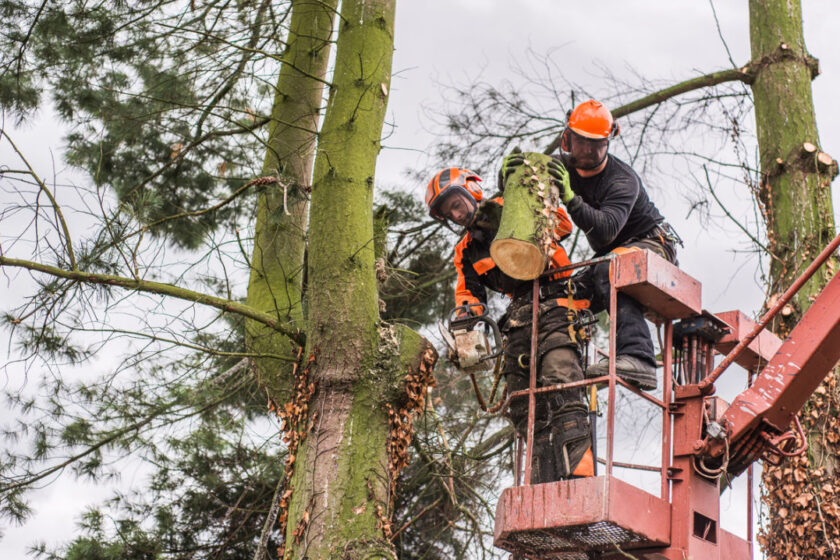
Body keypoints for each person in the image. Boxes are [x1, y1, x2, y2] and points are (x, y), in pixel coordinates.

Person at [425, 167, 593, 483]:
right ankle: (540, 487)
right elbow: (469, 297)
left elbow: (563, 224)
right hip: (517, 317)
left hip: (556, 300)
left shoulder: (510, 204)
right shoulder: (465, 251)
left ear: (472, 191)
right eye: (450, 213)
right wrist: (464, 330)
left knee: (562, 380)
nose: (457, 214)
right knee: (522, 405)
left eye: (457, 204)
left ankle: (580, 479)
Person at [504, 99, 680, 391]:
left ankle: (639, 359)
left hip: (652, 244)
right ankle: (561, 372)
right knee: (557, 293)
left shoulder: (622, 180)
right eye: (581, 142)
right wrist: (509, 176)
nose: (587, 150)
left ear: (609, 141)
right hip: (611, 256)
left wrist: (572, 199)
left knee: (610, 269)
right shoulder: (560, 165)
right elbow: (525, 187)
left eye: (595, 144)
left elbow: (604, 235)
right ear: (568, 138)